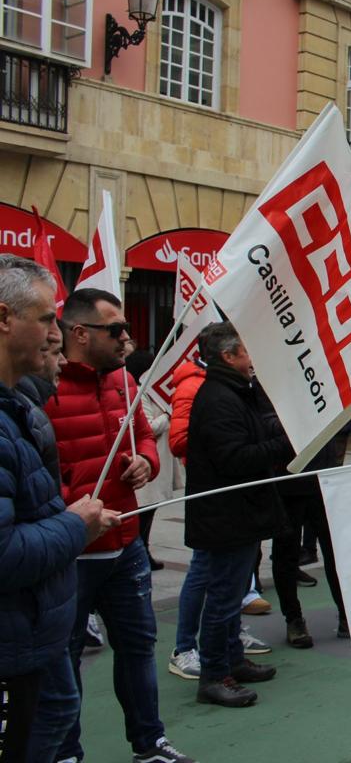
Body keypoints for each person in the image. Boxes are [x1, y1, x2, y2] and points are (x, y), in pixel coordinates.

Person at [46, 288, 194, 762]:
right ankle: (67, 751)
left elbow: (144, 439)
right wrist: (76, 514)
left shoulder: (125, 383)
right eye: (117, 330)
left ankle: (149, 744)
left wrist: (145, 463)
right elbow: (41, 476)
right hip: (72, 554)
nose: (127, 339)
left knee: (137, 647)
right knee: (63, 658)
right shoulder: (44, 388)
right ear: (81, 333)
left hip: (125, 542)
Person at [0, 256, 118, 762]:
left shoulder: (17, 406)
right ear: (5, 318)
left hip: (33, 633)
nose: (57, 335)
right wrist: (76, 524)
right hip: (14, 642)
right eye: (48, 319)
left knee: (57, 713)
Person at [185, 322, 291, 706]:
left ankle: (231, 660)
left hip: (239, 513)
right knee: (223, 598)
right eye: (246, 351)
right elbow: (235, 458)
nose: (252, 359)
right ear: (228, 356)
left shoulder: (234, 392)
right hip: (226, 516)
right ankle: (215, 675)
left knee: (230, 596)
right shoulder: (218, 398)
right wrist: (286, 443)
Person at [271, 435, 348, 648]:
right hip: (288, 481)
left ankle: (346, 612)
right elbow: (267, 421)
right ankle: (293, 619)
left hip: (324, 479)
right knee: (286, 555)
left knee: (336, 552)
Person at [125, 348, 175, 571]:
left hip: (158, 459)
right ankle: (140, 551)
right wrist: (167, 415)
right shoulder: (137, 392)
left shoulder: (153, 392)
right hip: (147, 457)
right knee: (144, 511)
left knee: (151, 509)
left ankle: (144, 549)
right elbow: (148, 427)